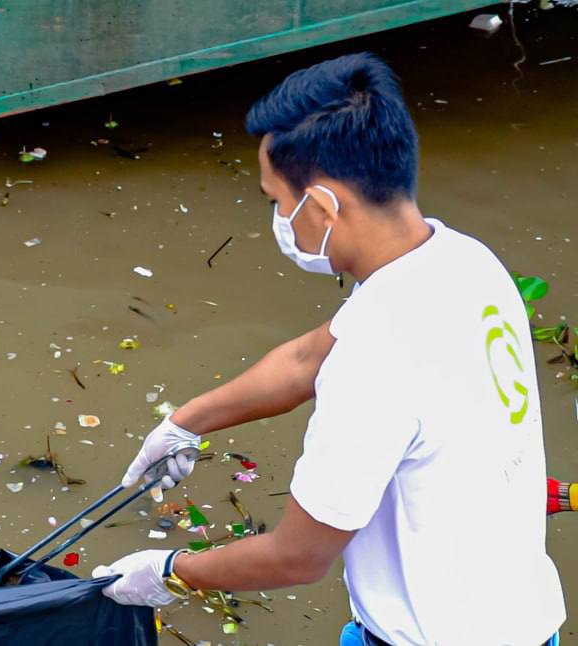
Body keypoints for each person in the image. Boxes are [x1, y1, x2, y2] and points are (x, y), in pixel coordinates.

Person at [94, 53, 565, 646]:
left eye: (276, 201)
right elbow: (306, 359)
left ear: (320, 207)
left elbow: (298, 556)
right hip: (525, 622)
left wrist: (168, 572)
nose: (278, 218)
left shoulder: (375, 360)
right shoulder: (463, 261)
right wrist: (186, 423)